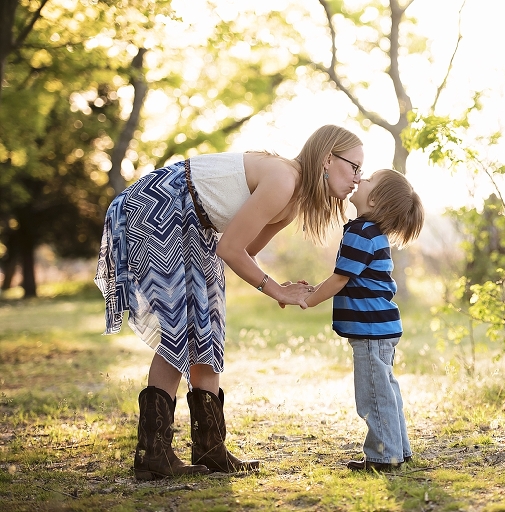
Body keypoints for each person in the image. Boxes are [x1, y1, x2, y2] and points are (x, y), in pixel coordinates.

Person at [94, 125, 364, 480]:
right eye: (355, 167)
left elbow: (245, 251)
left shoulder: (293, 200)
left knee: (207, 325)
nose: (358, 178)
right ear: (329, 158)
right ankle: (152, 454)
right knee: (182, 327)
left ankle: (210, 449)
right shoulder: (284, 179)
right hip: (163, 204)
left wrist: (275, 283)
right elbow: (230, 249)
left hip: (195, 221)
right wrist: (276, 291)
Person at [302, 169, 424, 471]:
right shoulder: (369, 231)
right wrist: (312, 290)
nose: (360, 178)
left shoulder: (363, 232)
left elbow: (340, 279)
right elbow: (344, 277)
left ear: (374, 198)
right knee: (386, 390)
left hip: (371, 328)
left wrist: (306, 299)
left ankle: (384, 455)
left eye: (367, 178)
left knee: (372, 393)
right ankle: (399, 449)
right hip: (380, 327)